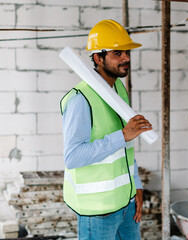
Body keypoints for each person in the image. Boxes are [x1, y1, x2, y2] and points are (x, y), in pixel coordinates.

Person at [60, 19, 152, 240]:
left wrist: (136, 186)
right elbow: (73, 157)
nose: (126, 58)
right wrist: (122, 135)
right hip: (98, 211)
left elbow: (126, 148)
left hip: (127, 203)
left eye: (127, 52)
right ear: (98, 58)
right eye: (117, 53)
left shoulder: (118, 88)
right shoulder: (79, 99)